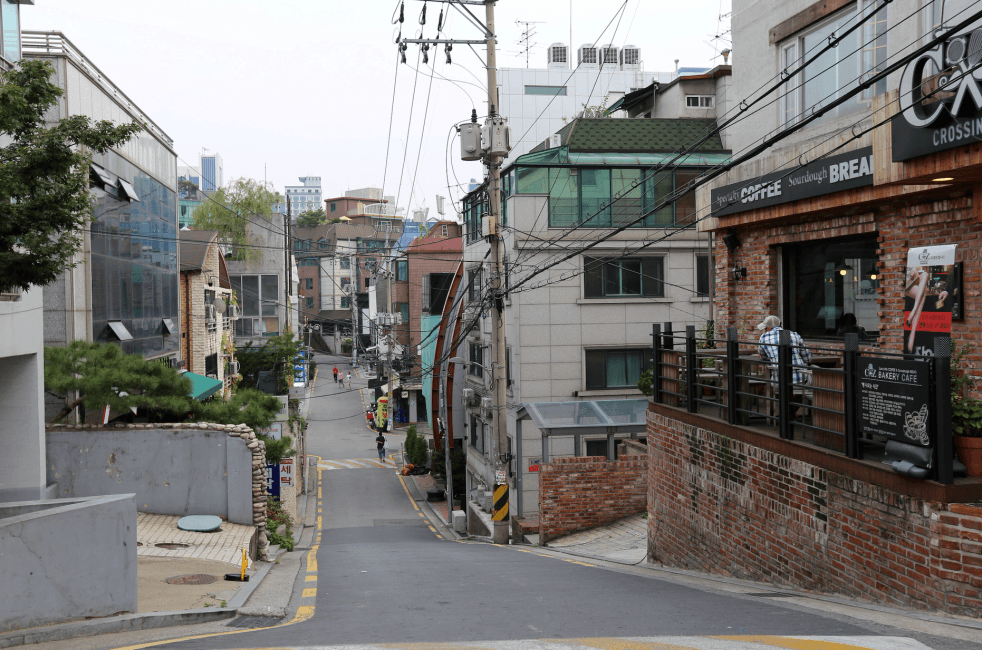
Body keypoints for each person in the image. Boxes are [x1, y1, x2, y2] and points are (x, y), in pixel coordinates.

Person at [757, 315, 812, 418]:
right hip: (800, 379)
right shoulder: (794, 334)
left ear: (768, 327)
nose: (764, 330)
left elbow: (763, 356)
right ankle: (792, 413)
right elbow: (807, 358)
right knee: (807, 381)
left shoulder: (763, 337)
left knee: (781, 386)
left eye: (765, 328)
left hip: (779, 381)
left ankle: (787, 415)